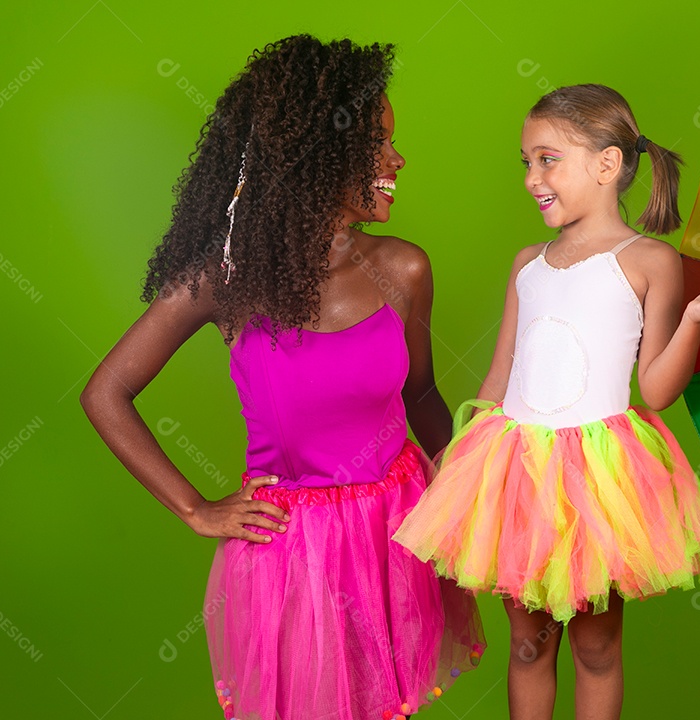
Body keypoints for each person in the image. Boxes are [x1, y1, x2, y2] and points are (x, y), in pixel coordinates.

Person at [80, 35, 483, 720]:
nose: (397, 160)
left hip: (396, 530)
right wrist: (195, 507)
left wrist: (459, 487)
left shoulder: (406, 270)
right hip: (294, 550)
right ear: (318, 154)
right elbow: (106, 392)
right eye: (379, 143)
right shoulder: (225, 281)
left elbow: (421, 394)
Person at [393, 83, 700, 719]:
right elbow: (499, 377)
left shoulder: (649, 260)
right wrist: (458, 466)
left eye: (548, 158)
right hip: (516, 470)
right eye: (527, 162)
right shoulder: (527, 263)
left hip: (600, 480)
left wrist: (695, 320)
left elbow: (657, 392)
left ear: (607, 165)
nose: (533, 177)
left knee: (596, 648)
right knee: (529, 647)